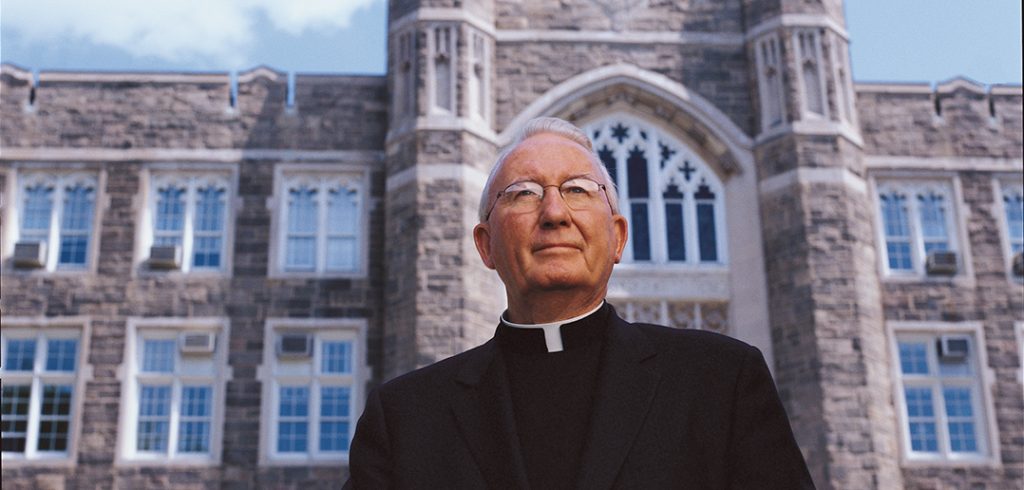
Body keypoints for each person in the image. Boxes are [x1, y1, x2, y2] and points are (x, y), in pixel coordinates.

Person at [344, 117, 814, 489]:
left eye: (577, 190)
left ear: (618, 237)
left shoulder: (721, 381)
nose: (554, 213)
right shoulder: (405, 417)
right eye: (523, 194)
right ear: (485, 246)